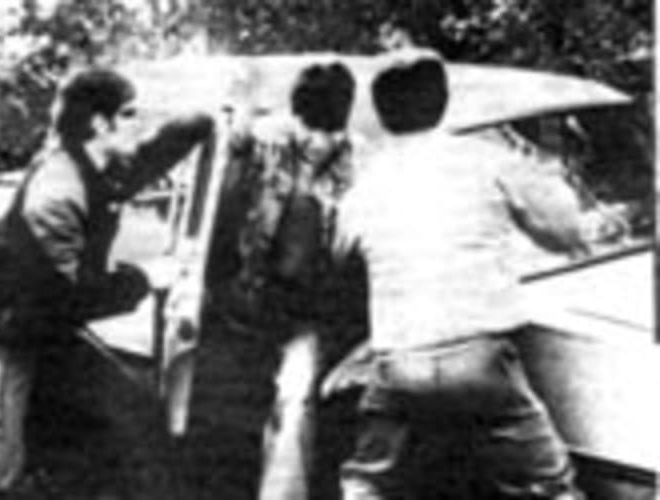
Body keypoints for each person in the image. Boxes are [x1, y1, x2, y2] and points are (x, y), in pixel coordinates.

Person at [325, 49, 620, 499]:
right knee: (547, 483)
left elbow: (339, 264)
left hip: (398, 361)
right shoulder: (488, 161)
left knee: (368, 481)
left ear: (382, 111)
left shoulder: (362, 189)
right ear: (444, 101)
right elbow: (565, 235)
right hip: (481, 360)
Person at [0, 68, 215, 500]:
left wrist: (202, 123)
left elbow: (149, 158)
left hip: (39, 322)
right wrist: (145, 277)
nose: (139, 122)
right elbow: (70, 298)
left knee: (132, 411)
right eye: (129, 114)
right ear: (100, 124)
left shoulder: (96, 162)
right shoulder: (57, 194)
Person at [185, 61, 356, 500]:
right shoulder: (263, 144)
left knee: (295, 400)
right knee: (227, 406)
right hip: (246, 295)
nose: (319, 141)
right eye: (310, 126)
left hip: (309, 307)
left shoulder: (353, 163)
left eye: (331, 130)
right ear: (296, 115)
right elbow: (224, 193)